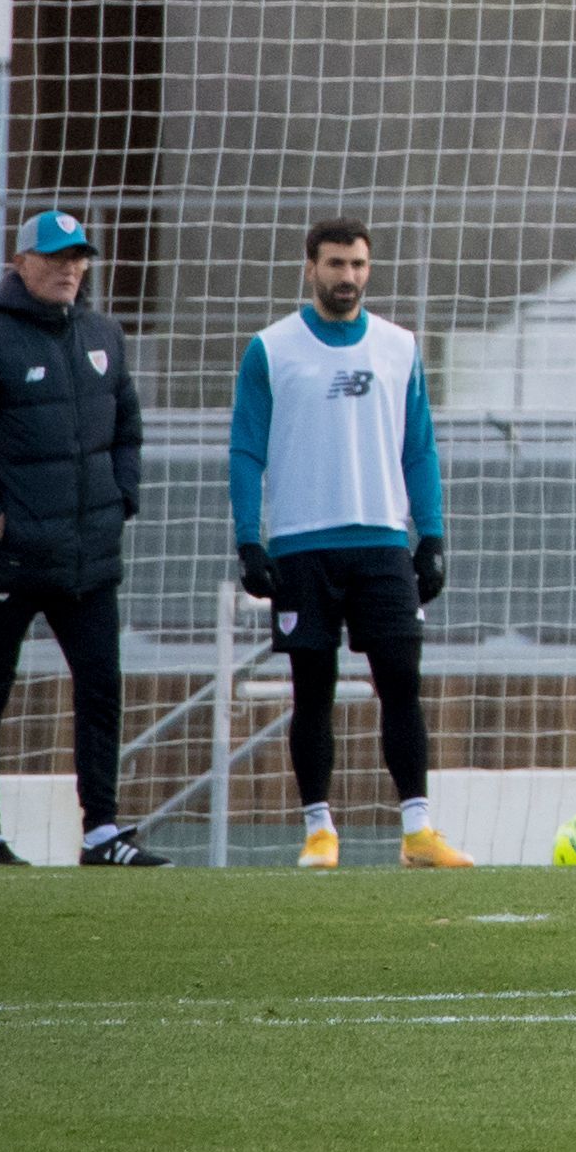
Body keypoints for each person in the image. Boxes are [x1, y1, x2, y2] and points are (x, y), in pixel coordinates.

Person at [0, 210, 154, 867]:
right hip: (10, 561)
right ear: (20, 262)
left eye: (79, 256)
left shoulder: (105, 334)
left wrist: (121, 497)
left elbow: (127, 424)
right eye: (55, 256)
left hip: (90, 559)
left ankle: (103, 832)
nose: (70, 267)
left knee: (102, 689)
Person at [231, 216, 463, 869]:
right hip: (303, 544)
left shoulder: (398, 347)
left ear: (370, 267)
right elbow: (245, 449)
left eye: (358, 265)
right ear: (311, 267)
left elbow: (419, 448)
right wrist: (250, 539)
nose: (348, 277)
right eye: (335, 264)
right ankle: (319, 830)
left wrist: (433, 535)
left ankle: (417, 829)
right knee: (312, 687)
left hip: (383, 543)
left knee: (401, 682)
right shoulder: (271, 350)